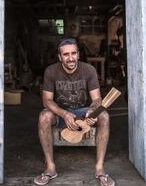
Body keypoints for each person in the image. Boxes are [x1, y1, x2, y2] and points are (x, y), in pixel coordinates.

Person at [33, 38, 115, 186]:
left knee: (104, 115)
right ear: (60, 57)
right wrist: (64, 113)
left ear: (78, 54)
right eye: (65, 55)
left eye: (73, 53)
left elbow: (97, 100)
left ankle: (100, 168)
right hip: (61, 113)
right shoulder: (51, 71)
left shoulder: (89, 70)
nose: (70, 58)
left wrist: (92, 110)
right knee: (44, 116)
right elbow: (47, 101)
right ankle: (50, 168)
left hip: (83, 113)